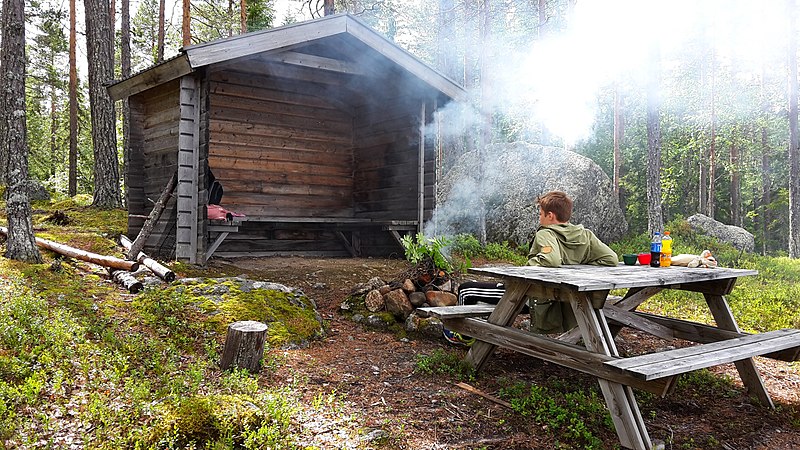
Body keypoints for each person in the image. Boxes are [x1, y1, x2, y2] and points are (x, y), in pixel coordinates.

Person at [443, 190, 618, 345]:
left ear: (550, 216)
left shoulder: (546, 233)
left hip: (534, 296)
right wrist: (576, 267)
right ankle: (479, 327)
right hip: (561, 299)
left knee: (466, 290)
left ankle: (464, 338)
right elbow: (611, 258)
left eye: (540, 214)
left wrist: (526, 267)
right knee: (480, 292)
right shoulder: (585, 235)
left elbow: (552, 259)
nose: (539, 217)